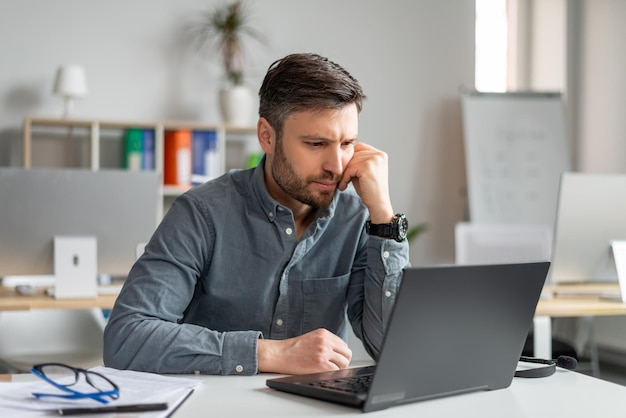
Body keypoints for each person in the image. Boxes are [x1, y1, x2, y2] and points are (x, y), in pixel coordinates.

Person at [103, 52, 410, 376]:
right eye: (316, 143)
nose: (336, 166)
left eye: (347, 143)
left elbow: (393, 350)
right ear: (267, 136)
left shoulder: (359, 219)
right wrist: (268, 353)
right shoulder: (202, 213)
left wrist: (384, 219)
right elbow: (127, 338)